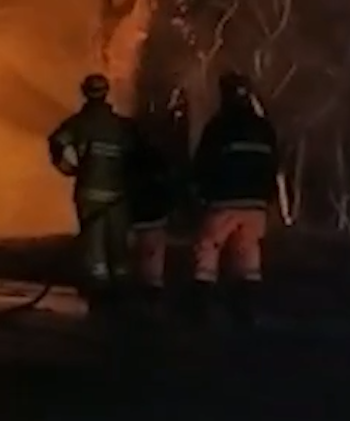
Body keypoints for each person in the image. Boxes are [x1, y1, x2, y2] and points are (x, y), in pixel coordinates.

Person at [189, 71, 280, 323]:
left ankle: (200, 307)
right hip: (256, 204)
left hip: (223, 201)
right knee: (248, 253)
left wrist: (199, 192)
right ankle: (245, 309)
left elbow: (203, 163)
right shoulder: (264, 128)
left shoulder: (219, 126)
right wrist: (268, 199)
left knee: (208, 249)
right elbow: (274, 165)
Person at [48, 74, 135, 308]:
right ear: (107, 92)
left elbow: (56, 142)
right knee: (118, 244)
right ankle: (123, 288)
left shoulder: (78, 123)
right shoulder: (123, 126)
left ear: (84, 92)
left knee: (94, 245)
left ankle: (99, 290)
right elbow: (139, 157)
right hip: (118, 198)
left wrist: (67, 168)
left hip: (89, 195)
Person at [124, 89, 186, 307]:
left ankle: (130, 292)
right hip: (154, 216)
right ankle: (151, 293)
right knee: (151, 256)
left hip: (133, 216)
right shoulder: (158, 159)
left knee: (130, 254)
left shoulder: (128, 158)